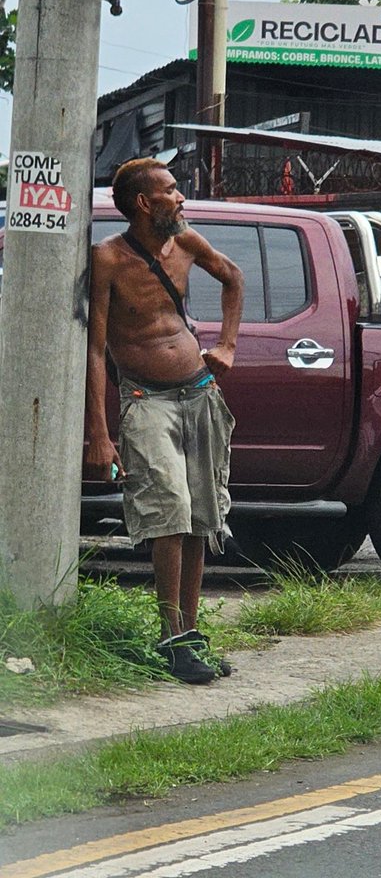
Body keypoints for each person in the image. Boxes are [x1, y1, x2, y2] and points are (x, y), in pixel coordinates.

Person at [85, 158, 244, 685]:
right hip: (145, 399)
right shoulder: (109, 258)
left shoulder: (186, 242)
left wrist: (227, 344)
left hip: (199, 393)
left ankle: (191, 636)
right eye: (171, 190)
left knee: (200, 514)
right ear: (142, 203)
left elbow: (233, 276)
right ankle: (170, 638)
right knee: (170, 511)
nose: (181, 198)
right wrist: (99, 434)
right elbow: (95, 349)